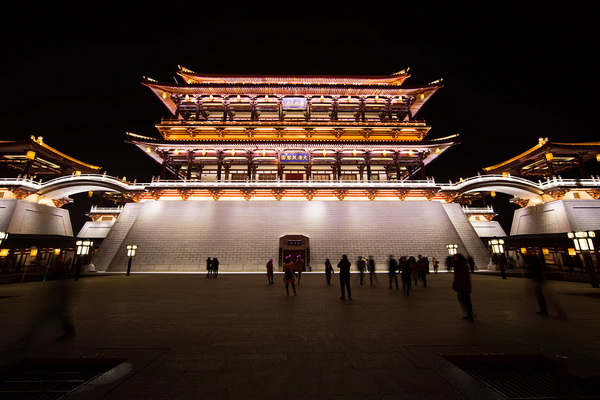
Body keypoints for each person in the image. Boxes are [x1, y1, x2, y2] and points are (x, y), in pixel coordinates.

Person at [451, 254, 474, 322]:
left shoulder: (460, 265)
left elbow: (459, 276)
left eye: (455, 257)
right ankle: (468, 314)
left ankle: (470, 315)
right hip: (463, 285)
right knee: (464, 300)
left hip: (462, 285)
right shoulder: (463, 264)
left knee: (465, 300)